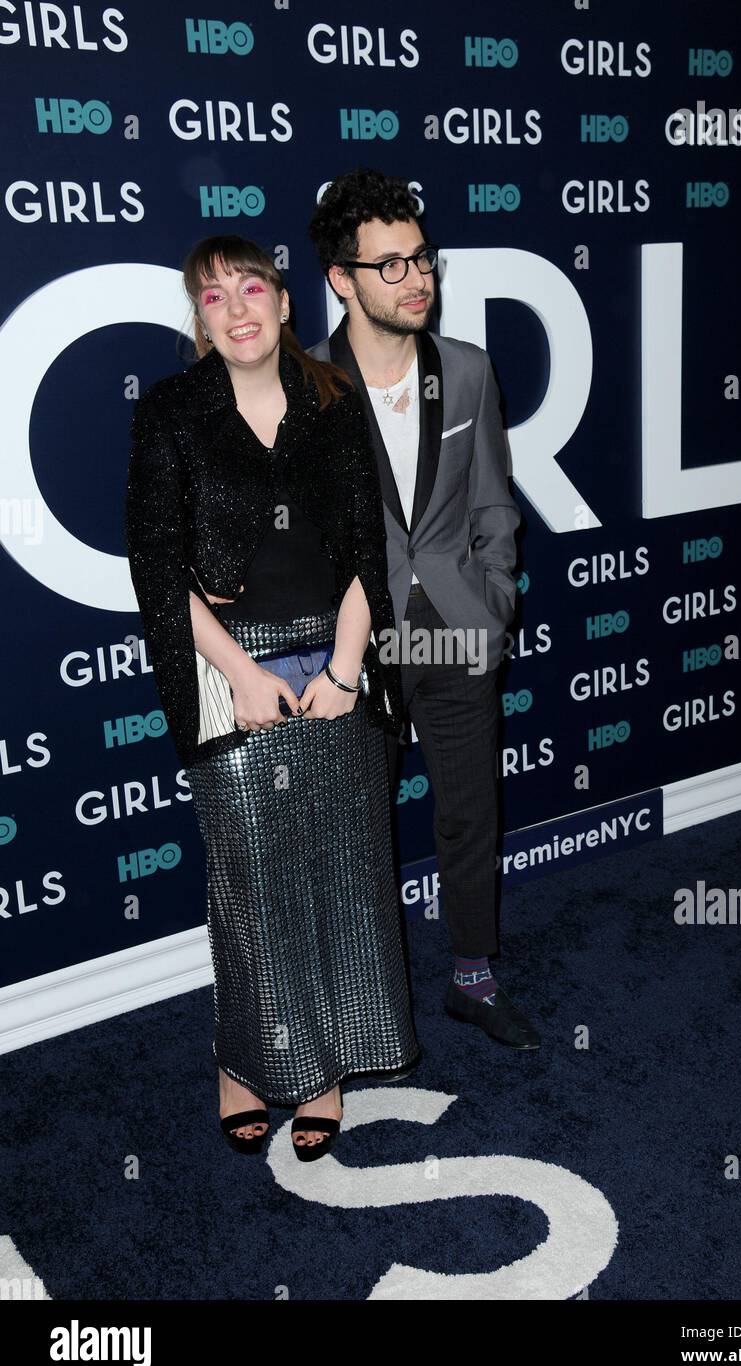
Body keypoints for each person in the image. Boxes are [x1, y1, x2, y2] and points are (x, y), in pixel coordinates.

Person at [125, 233, 420, 1159]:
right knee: (253, 888)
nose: (239, 308)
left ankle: (325, 1073)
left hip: (335, 663)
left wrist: (341, 669)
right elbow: (157, 567)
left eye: (252, 287)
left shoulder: (335, 404)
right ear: (201, 321)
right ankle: (246, 1066)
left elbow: (376, 550)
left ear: (286, 303)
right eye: (214, 298)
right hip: (230, 675)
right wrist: (241, 674)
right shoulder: (171, 414)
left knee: (344, 872)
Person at [307, 169, 539, 1050]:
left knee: (470, 810)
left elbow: (492, 502)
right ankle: (356, 1005)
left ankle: (473, 980)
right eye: (390, 266)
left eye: (422, 260)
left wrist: (494, 603)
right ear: (343, 279)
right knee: (351, 830)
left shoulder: (469, 370)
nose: (416, 280)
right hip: (351, 639)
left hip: (452, 622)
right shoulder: (307, 382)